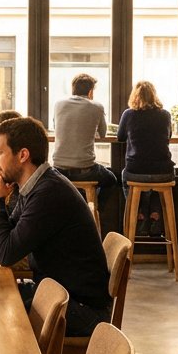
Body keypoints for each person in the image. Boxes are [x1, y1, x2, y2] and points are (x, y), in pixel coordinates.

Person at [0, 116, 111, 354]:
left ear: (23, 155)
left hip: (82, 310)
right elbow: (15, 229)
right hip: (61, 293)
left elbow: (7, 251)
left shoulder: (48, 194)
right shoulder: (37, 186)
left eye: (0, 151)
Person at [51, 73, 123, 235]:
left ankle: (78, 207)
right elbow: (103, 134)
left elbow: (57, 126)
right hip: (85, 169)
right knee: (111, 179)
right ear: (91, 92)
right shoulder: (96, 107)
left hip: (59, 170)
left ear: (73, 89)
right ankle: (93, 208)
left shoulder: (59, 104)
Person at [118, 80, 174, 235]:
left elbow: (120, 137)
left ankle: (139, 214)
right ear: (154, 96)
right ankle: (155, 215)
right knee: (157, 184)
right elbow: (168, 135)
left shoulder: (128, 114)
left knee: (127, 178)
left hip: (135, 169)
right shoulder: (165, 114)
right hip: (164, 171)